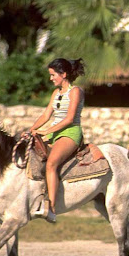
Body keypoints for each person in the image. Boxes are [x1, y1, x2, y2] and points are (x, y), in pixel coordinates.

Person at [28, 58, 86, 223]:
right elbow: (46, 115)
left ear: (64, 74)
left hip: (70, 133)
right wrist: (31, 130)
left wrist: (46, 131)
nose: (51, 78)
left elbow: (69, 119)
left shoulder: (75, 92)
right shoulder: (56, 93)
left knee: (51, 164)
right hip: (55, 132)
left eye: (53, 75)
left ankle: (51, 209)